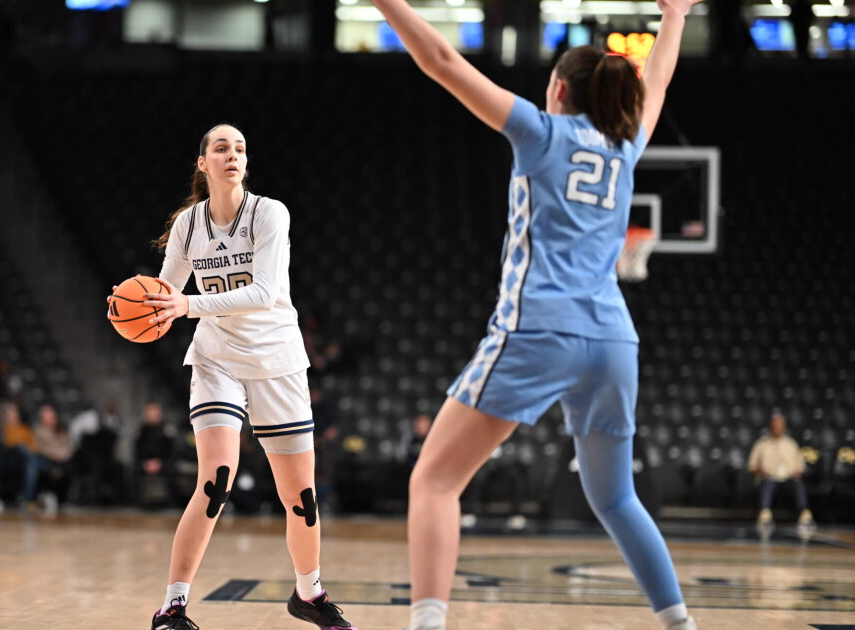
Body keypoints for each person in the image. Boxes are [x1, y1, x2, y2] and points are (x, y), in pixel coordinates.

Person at [371, 1, 701, 629]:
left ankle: (426, 624)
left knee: (435, 482)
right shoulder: (625, 144)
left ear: (556, 90)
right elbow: (655, 82)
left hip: (541, 330)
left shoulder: (540, 132)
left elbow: (440, 60)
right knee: (616, 498)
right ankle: (681, 625)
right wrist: (674, 15)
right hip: (612, 339)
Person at [116, 123, 356, 630]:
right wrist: (141, 306)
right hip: (217, 357)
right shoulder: (187, 225)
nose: (233, 155)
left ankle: (309, 594)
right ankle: (172, 607)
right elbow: (168, 292)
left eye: (241, 148)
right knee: (216, 478)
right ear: (203, 163)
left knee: (303, 500)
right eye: (221, 148)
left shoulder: (270, 214)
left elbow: (264, 293)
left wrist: (186, 305)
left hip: (277, 361)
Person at [748, 412, 812, 528]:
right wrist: (761, 472)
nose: (777, 428)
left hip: (788, 478)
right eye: (775, 425)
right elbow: (752, 466)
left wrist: (794, 473)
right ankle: (765, 514)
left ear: (784, 427)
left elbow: (800, 467)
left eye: (779, 425)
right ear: (770, 427)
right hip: (768, 477)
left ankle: (804, 513)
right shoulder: (761, 444)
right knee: (767, 482)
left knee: (797, 482)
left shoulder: (791, 444)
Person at [32, 405, 73, 512]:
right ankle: (50, 496)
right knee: (54, 470)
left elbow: (68, 446)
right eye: (45, 416)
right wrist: (53, 454)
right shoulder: (38, 430)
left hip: (63, 458)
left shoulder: (62, 430)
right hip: (48, 458)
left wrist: (62, 455)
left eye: (50, 415)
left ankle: (63, 499)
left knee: (67, 469)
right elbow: (39, 447)